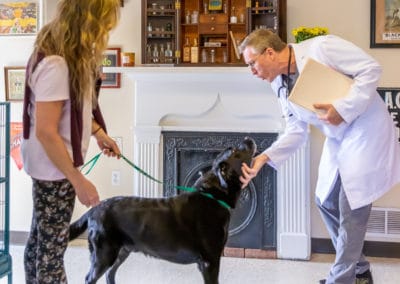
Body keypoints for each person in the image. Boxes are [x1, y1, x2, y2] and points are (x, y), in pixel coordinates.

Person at [239, 29, 400, 284]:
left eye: (252, 63)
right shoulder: (278, 83)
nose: (252, 71)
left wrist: (343, 108)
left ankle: (342, 279)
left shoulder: (322, 48)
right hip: (339, 135)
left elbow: (371, 69)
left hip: (366, 129)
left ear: (269, 52)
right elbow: (296, 131)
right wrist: (264, 158)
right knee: (324, 200)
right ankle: (360, 270)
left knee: (352, 206)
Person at [21, 0, 122, 283]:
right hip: (54, 169)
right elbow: (46, 131)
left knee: (41, 240)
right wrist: (77, 179)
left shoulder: (64, 57)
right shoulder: (57, 65)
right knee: (51, 251)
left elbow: (72, 111)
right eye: (104, 25)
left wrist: (99, 134)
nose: (105, 32)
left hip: (50, 166)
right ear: (89, 22)